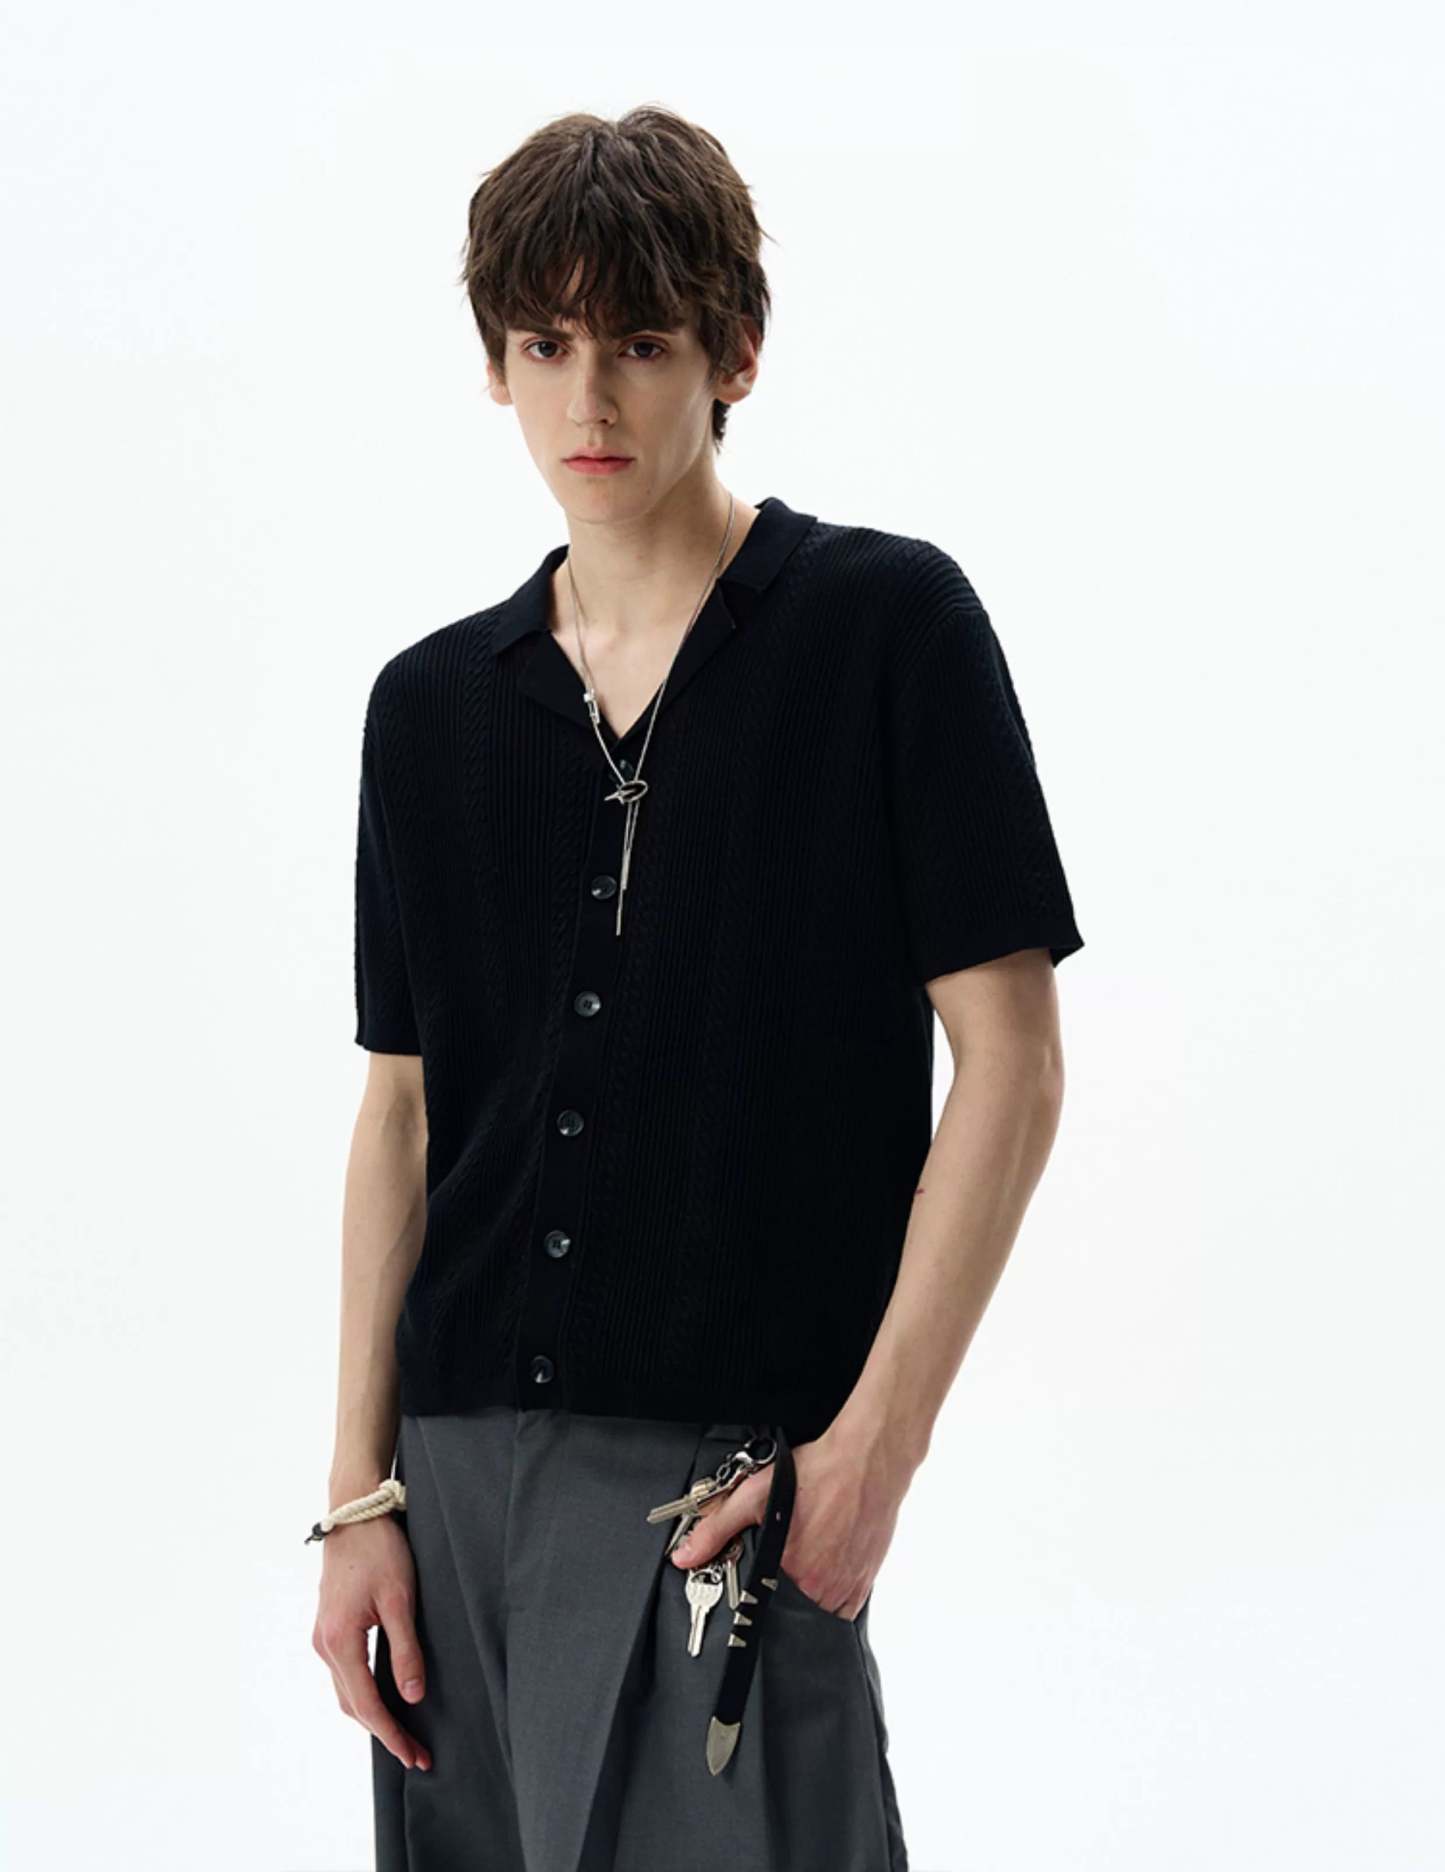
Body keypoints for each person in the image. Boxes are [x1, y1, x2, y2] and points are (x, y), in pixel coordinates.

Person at [310, 104, 1085, 1872]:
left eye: (640, 344)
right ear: (495, 365)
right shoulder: (427, 709)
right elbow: (402, 1112)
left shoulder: (884, 630)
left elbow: (1012, 1064)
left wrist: (870, 1454)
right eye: (545, 346)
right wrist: (360, 1497)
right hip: (455, 1477)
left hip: (727, 1480)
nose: (588, 400)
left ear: (733, 351)